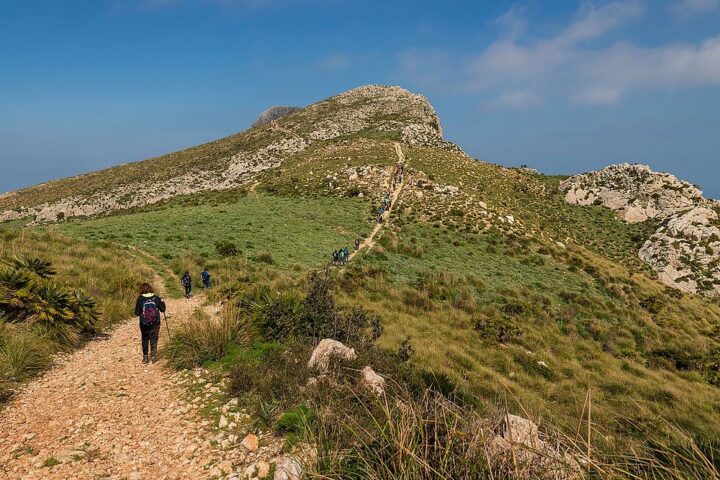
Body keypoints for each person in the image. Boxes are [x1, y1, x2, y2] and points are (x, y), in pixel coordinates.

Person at [134, 283, 166, 364]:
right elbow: (163, 310)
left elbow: (137, 313)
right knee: (154, 338)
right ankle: (153, 356)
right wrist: (162, 301)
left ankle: (145, 357)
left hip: (144, 323)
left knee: (145, 338)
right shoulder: (156, 298)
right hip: (155, 322)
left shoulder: (140, 299)